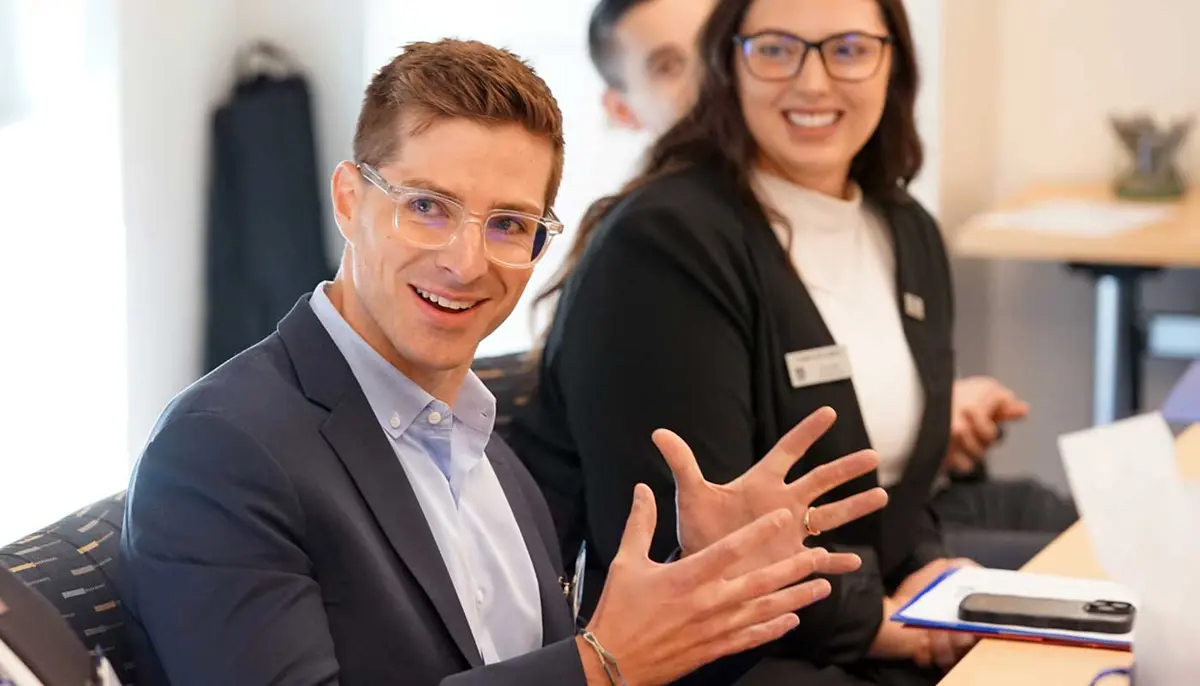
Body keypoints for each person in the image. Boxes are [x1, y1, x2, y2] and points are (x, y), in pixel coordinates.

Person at [118, 39, 889, 686]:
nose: (465, 261)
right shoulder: (223, 449)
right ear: (350, 201)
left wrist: (707, 589)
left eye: (509, 225)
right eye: (427, 206)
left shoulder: (490, 445)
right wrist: (596, 663)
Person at [509, 0, 1056, 683]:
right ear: (727, 62)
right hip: (728, 654)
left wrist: (932, 580)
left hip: (857, 615)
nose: (814, 82)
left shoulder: (906, 229)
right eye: (776, 49)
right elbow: (697, 542)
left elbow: (892, 487)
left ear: (896, 63)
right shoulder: (669, 242)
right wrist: (886, 626)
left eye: (850, 49)